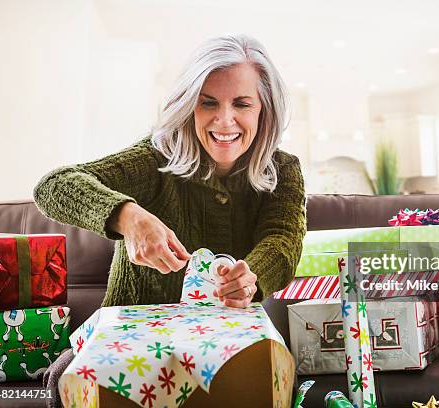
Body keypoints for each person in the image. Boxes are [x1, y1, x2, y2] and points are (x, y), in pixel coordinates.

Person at [34, 34, 306, 407]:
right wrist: (128, 217)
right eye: (208, 103)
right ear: (189, 106)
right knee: (61, 378)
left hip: (230, 348)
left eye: (242, 104)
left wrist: (250, 278)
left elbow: (283, 240)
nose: (224, 120)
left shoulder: (284, 169)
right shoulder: (156, 157)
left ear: (264, 110)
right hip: (126, 346)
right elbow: (53, 186)